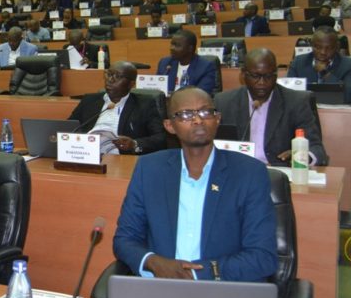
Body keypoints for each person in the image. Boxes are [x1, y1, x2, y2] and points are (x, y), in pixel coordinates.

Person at [113, 87, 278, 282]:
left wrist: (196, 273)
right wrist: (155, 263)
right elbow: (125, 240)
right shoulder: (150, 169)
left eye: (205, 112)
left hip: (222, 290)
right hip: (160, 288)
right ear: (169, 126)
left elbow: (262, 257)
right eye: (185, 114)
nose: (197, 120)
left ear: (217, 119)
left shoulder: (249, 173)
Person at [215, 49, 327, 166]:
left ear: (276, 75)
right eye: (255, 76)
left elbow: (316, 149)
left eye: (268, 76)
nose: (262, 82)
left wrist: (303, 155)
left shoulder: (295, 102)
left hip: (278, 174)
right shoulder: (224, 102)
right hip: (239, 171)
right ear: (243, 74)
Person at [67, 62, 166, 155]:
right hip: (86, 153)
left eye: (118, 76)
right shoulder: (89, 100)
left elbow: (160, 138)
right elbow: (69, 127)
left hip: (122, 158)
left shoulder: (144, 104)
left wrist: (134, 144)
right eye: (108, 74)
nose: (110, 80)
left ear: (131, 84)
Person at [287, 27, 351, 103]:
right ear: (311, 45)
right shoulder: (298, 62)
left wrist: (325, 73)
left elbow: (348, 97)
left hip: (335, 112)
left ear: (337, 47)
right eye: (318, 47)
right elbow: (288, 93)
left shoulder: (347, 65)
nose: (323, 52)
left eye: (329, 48)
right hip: (304, 110)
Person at [156, 30, 217, 95]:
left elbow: (201, 95)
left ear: (190, 48)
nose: (172, 48)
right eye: (172, 44)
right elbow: (157, 91)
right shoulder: (165, 63)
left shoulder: (205, 67)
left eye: (177, 45)